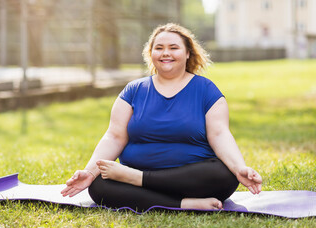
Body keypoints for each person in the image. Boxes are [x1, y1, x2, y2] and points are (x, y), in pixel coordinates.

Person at [61, 23, 262, 211]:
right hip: (151, 175)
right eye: (159, 48)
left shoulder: (206, 90)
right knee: (99, 185)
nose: (166, 52)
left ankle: (138, 180)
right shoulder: (133, 90)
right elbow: (114, 136)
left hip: (190, 178)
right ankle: (183, 203)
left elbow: (220, 134)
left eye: (174, 47)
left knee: (224, 175)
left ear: (187, 53)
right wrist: (89, 172)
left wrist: (239, 168)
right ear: (151, 54)